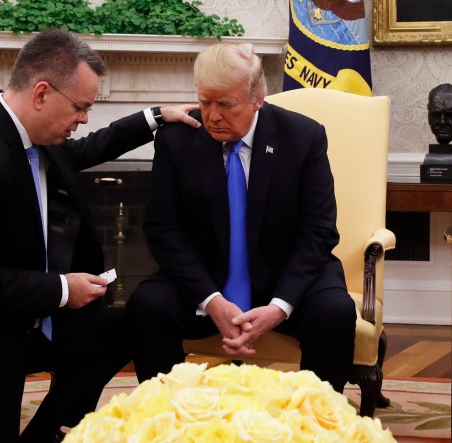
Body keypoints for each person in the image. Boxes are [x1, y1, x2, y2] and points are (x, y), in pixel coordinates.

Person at [0, 27, 199, 443]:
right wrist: (61, 289)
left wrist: (156, 116)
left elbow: (86, 149)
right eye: (81, 107)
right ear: (41, 94)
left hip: (26, 323)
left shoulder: (29, 135)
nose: (85, 119)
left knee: (128, 326)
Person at [126, 42, 356, 393]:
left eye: (226, 104)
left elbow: (319, 232)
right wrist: (212, 301)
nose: (212, 116)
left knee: (335, 312)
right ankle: (170, 416)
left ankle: (318, 421)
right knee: (148, 305)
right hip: (205, 279)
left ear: (257, 98)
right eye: (205, 102)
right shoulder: (176, 139)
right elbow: (163, 230)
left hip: (283, 276)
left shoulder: (303, 137)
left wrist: (279, 307)